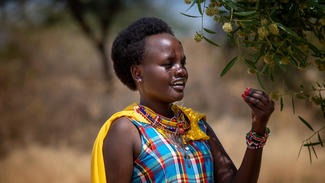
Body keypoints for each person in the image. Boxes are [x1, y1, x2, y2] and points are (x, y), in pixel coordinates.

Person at [91, 17, 275, 183]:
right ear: (138, 73)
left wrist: (258, 129)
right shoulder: (127, 131)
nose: (181, 71)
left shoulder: (196, 126)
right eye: (168, 64)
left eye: (182, 63)